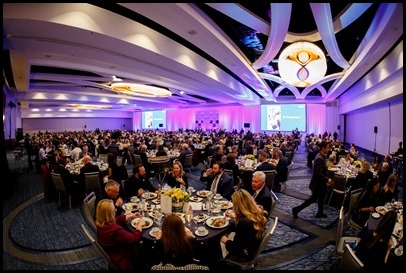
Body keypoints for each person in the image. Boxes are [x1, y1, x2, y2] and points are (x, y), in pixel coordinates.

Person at [220, 189, 268, 262]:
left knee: (215, 244)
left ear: (239, 206)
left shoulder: (243, 222)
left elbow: (236, 249)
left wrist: (225, 240)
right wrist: (235, 217)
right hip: (251, 247)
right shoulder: (257, 212)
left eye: (234, 204)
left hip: (244, 255)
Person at [95, 199, 144, 270]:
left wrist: (132, 215)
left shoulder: (101, 223)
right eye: (113, 210)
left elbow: (116, 219)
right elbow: (135, 239)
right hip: (122, 258)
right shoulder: (115, 230)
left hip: (112, 251)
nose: (115, 210)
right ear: (109, 214)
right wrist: (139, 225)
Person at [292, 141, 333, 219]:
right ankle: (296, 209)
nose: (328, 149)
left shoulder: (321, 156)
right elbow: (318, 173)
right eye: (327, 148)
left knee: (321, 198)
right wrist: (327, 179)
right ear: (323, 148)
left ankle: (320, 212)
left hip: (320, 184)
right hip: (317, 184)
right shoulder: (320, 158)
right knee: (312, 200)